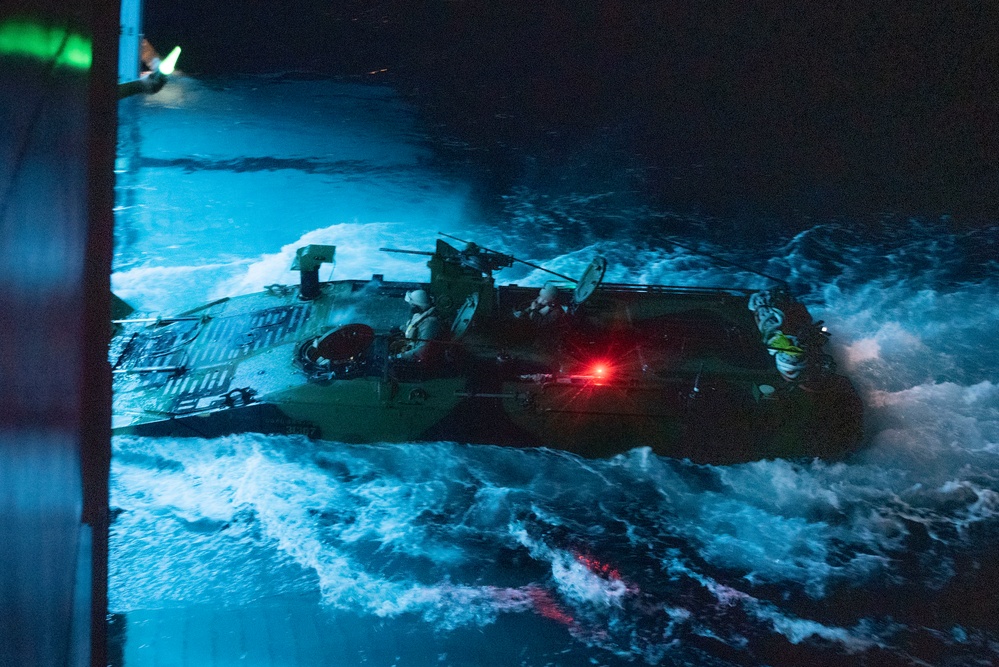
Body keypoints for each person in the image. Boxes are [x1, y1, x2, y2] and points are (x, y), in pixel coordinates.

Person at [394, 289, 444, 362]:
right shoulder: (419, 316)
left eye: (411, 304)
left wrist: (399, 356)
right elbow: (412, 329)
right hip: (412, 352)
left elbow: (423, 351)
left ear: (416, 306)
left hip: (421, 365)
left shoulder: (430, 323)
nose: (410, 306)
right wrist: (401, 328)